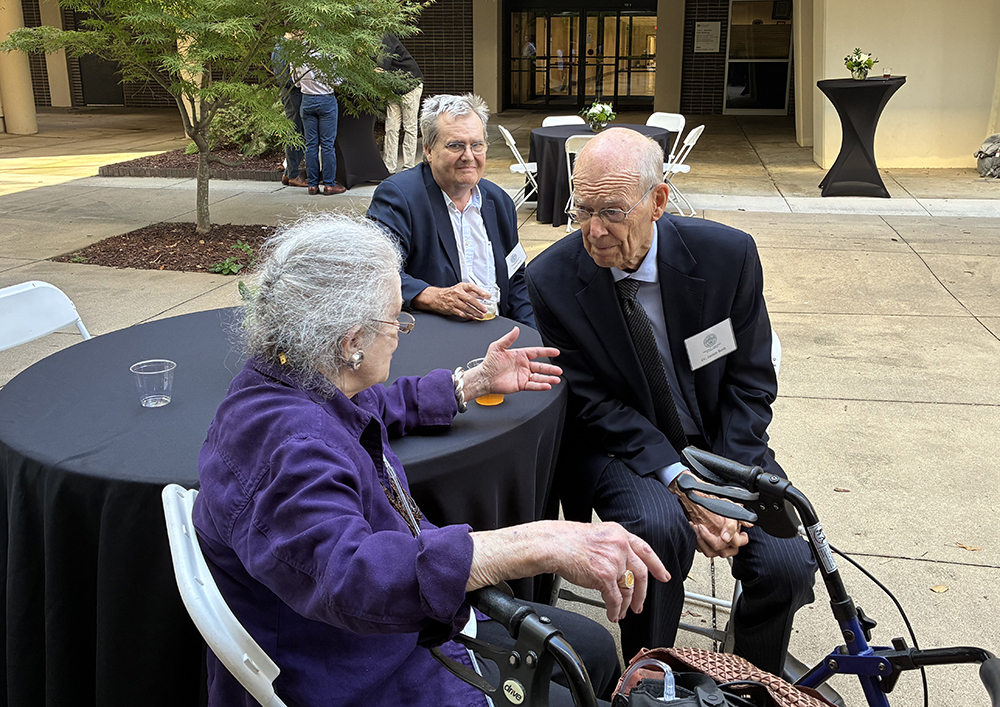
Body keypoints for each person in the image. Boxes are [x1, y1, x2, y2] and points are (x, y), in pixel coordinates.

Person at [193, 213, 670, 707]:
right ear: (350, 342)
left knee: (591, 650)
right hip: (359, 667)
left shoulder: (288, 377)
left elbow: (371, 405)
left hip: (378, 633)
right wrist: (537, 541)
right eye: (396, 319)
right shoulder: (290, 445)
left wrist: (471, 383)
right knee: (581, 673)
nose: (402, 331)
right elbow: (354, 576)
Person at [525, 129, 816, 675]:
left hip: (717, 440)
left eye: (612, 211)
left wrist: (725, 486)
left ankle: (752, 676)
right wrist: (681, 482)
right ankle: (649, 669)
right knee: (659, 536)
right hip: (621, 445)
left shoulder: (727, 257)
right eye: (581, 209)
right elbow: (591, 403)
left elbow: (748, 381)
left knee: (786, 563)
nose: (594, 230)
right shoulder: (552, 281)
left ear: (658, 201)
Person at [367, 93, 535, 327]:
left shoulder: (499, 201)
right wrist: (433, 296)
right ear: (428, 150)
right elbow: (375, 273)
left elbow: (516, 278)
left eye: (477, 145)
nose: (469, 156)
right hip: (437, 335)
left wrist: (533, 336)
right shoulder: (399, 197)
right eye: (455, 145)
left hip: (497, 329)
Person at [293, 51, 346, 195]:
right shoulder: (328, 54)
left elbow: (296, 81)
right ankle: (329, 184)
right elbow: (338, 80)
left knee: (311, 145)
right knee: (327, 145)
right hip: (326, 99)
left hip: (307, 99)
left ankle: (312, 185)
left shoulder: (297, 52)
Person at [379, 34, 423, 173]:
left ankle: (408, 167)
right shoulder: (376, 41)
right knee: (391, 127)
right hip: (394, 88)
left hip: (410, 85)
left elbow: (382, 66)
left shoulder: (386, 38)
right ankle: (388, 167)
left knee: (409, 126)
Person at [271, 37, 307, 188]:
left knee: (298, 132)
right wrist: (300, 83)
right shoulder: (282, 47)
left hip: (293, 93)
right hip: (293, 94)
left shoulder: (284, 46)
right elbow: (284, 76)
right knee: (295, 133)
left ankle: (288, 173)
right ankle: (293, 175)